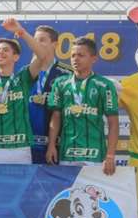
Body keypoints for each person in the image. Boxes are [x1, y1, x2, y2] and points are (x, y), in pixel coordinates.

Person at [0, 11, 46, 164]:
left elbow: (42, 55)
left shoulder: (23, 78)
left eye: (6, 50)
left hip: (20, 148)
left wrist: (20, 31)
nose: (0, 52)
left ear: (16, 57)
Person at [46, 37, 118, 174]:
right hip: (67, 153)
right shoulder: (60, 83)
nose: (75, 59)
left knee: (93, 194)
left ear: (94, 58)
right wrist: (51, 145)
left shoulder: (104, 85)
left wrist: (110, 155)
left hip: (95, 154)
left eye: (81, 55)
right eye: (73, 55)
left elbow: (113, 122)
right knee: (68, 194)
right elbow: (56, 116)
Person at [26, 25, 72, 164]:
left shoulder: (68, 74)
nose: (36, 44)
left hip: (55, 146)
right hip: (26, 146)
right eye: (35, 40)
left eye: (42, 40)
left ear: (55, 44)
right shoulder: (24, 73)